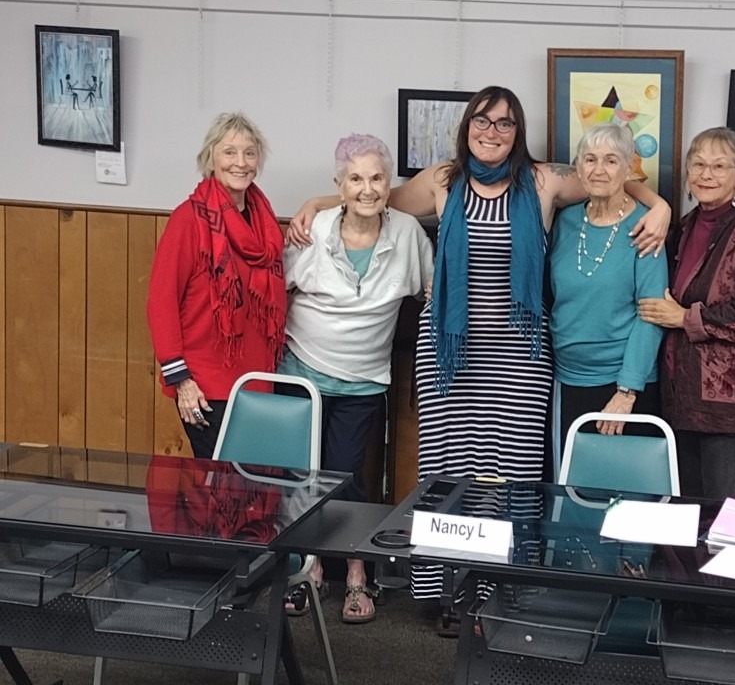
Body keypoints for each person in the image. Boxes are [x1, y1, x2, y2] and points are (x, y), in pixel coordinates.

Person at [287, 86, 670, 622]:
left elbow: (606, 175)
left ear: (518, 131)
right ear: (467, 127)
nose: (492, 132)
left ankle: (496, 592)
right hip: (449, 353)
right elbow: (376, 198)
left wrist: (661, 206)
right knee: (446, 476)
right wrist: (316, 202)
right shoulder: (443, 180)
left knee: (509, 479)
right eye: (483, 121)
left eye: (505, 123)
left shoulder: (543, 181)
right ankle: (444, 593)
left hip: (518, 356)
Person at [279, 133, 433, 623]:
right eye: (356, 179)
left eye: (377, 178)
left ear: (389, 184)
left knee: (346, 479)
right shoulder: (314, 229)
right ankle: (305, 571)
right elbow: (276, 290)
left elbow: (433, 293)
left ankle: (355, 573)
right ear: (339, 185)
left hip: (363, 381)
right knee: (299, 478)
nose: (367, 189)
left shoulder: (407, 234)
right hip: (302, 374)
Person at [638, 127, 735, 502]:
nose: (707, 175)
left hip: (730, 402)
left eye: (719, 166)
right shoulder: (684, 227)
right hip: (681, 395)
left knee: (726, 512)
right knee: (684, 511)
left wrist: (684, 318)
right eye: (699, 164)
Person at [147, 112, 285, 460]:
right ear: (210, 158)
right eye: (229, 152)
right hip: (205, 383)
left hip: (257, 379)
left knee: (255, 481)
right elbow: (161, 303)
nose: (241, 162)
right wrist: (181, 381)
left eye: (249, 153)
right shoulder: (188, 219)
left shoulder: (264, 219)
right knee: (220, 482)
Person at [548, 123, 668, 473]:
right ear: (578, 167)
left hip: (622, 384)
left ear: (629, 168)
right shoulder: (565, 222)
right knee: (568, 488)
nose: (599, 169)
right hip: (566, 380)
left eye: (611, 160)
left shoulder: (646, 228)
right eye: (590, 159)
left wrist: (627, 392)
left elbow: (651, 316)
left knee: (620, 493)